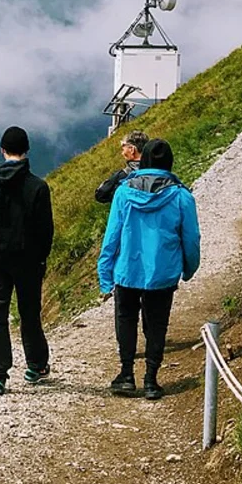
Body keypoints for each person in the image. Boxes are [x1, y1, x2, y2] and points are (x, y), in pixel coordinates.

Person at [97, 139, 200, 400]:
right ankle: (152, 380)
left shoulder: (123, 193)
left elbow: (112, 237)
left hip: (127, 271)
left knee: (126, 319)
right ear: (169, 163)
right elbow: (191, 239)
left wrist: (105, 275)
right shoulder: (181, 196)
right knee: (156, 324)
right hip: (163, 273)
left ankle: (126, 375)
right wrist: (188, 269)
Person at [0, 126, 55, 396]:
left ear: (2, 150)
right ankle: (36, 366)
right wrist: (41, 258)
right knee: (29, 313)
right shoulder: (38, 187)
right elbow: (46, 231)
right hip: (29, 261)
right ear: (27, 150)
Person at [95, 129, 149, 204]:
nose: (122, 153)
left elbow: (100, 194)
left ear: (131, 150)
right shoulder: (158, 171)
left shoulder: (122, 176)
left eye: (123, 148)